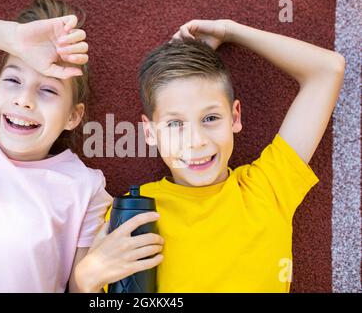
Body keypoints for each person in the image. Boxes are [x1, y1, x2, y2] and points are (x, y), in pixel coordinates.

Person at [0, 0, 164, 292]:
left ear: (73, 116)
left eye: (47, 89)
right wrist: (13, 38)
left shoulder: (84, 188)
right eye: (13, 81)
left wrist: (92, 274)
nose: (25, 99)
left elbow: (80, 289)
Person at [103, 19, 345, 292]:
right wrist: (86, 277)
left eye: (210, 118)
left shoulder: (268, 187)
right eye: (175, 124)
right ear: (149, 132)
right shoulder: (132, 215)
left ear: (235, 116)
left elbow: (328, 69)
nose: (196, 141)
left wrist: (230, 31)